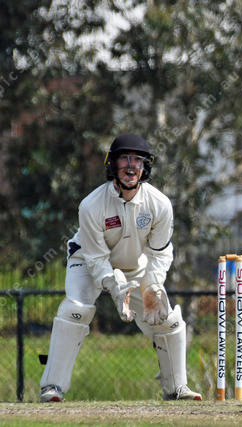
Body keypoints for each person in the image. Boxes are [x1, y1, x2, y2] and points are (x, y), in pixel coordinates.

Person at [39, 133, 201, 402]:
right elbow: (96, 258)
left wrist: (152, 286)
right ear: (112, 164)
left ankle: (176, 388)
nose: (131, 165)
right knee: (75, 310)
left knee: (168, 319)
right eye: (124, 158)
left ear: (145, 166)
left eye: (137, 160)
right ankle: (52, 386)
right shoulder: (91, 205)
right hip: (87, 261)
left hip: (135, 266)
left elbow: (160, 253)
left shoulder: (159, 204)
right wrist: (114, 287)